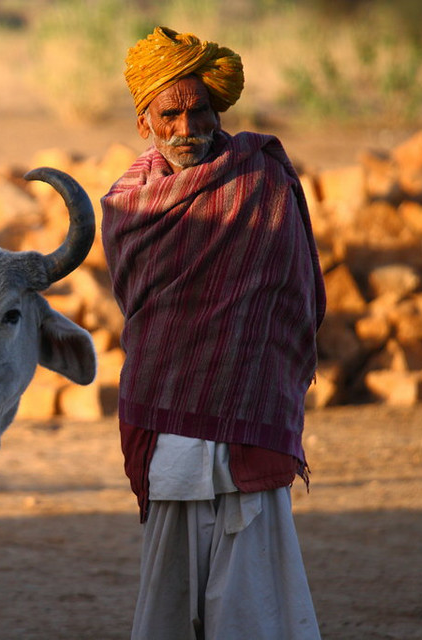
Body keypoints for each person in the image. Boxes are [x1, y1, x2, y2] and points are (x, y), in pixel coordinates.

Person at [100, 27, 326, 640]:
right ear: (143, 120)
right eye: (168, 114)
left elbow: (289, 293)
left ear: (217, 108)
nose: (185, 127)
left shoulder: (262, 176)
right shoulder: (127, 203)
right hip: (171, 409)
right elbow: (143, 306)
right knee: (171, 601)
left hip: (252, 399)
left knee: (256, 593)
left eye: (198, 110)